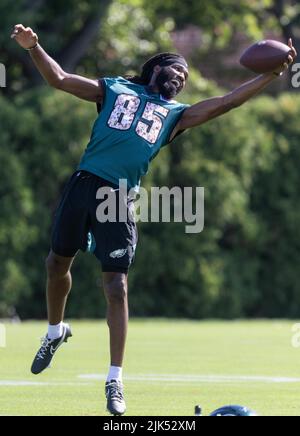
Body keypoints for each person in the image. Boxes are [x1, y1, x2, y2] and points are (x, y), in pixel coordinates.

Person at [11, 24, 297, 416]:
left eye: (185, 77)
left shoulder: (176, 115)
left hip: (119, 197)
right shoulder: (114, 89)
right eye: (177, 70)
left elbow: (228, 101)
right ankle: (55, 331)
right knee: (56, 263)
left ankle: (114, 379)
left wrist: (269, 75)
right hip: (84, 184)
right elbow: (58, 79)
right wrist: (35, 47)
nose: (181, 78)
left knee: (116, 287)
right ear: (157, 69)